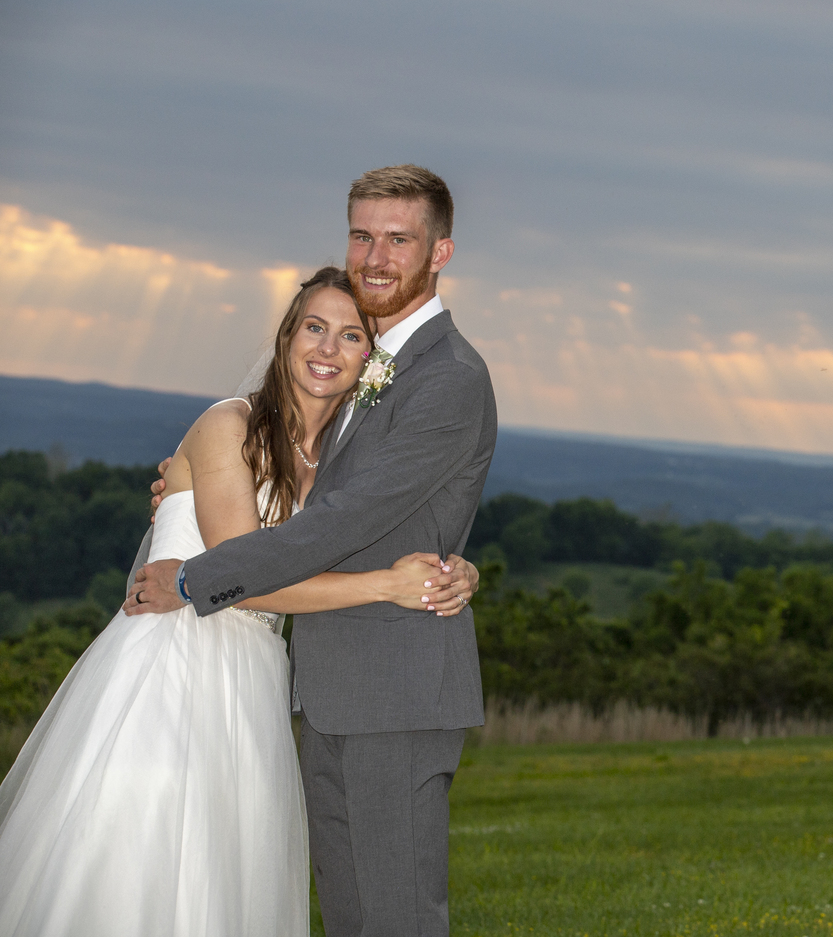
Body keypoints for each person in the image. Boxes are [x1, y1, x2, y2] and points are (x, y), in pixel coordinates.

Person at [0, 264, 479, 936]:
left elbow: (383, 527)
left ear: (371, 363)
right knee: (141, 852)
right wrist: (387, 586)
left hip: (254, 679)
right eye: (314, 327)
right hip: (170, 665)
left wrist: (458, 569)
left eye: (351, 336)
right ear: (287, 336)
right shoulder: (230, 425)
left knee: (224, 874)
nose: (327, 348)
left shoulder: (341, 465)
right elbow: (243, 572)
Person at [130, 164, 496, 937]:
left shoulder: (449, 377)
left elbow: (344, 520)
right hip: (326, 692)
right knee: (354, 916)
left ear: (441, 252)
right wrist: (192, 486)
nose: (376, 257)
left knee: (396, 917)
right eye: (362, 236)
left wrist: (196, 579)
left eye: (399, 240)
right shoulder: (368, 376)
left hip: (394, 695)